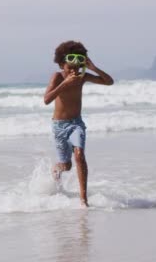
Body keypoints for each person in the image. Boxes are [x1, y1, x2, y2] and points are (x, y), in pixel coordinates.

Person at [43, 41, 114, 206]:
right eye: (69, 67)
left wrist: (93, 68)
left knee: (79, 155)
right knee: (66, 166)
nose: (73, 71)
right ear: (62, 64)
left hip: (76, 123)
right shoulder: (58, 77)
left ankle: (84, 200)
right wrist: (64, 83)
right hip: (59, 126)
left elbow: (109, 82)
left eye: (77, 67)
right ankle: (56, 171)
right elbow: (47, 99)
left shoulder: (82, 77)